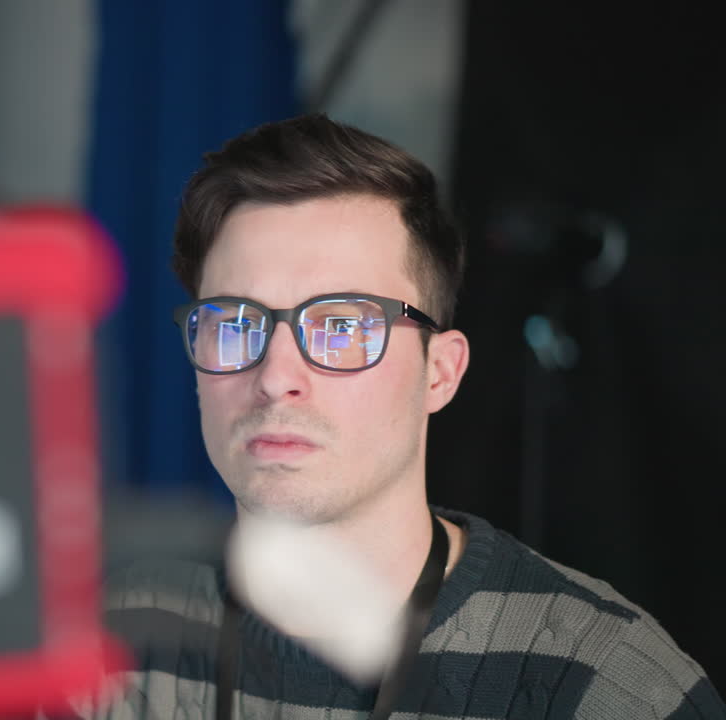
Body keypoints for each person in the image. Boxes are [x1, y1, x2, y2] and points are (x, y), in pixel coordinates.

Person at [90, 115, 725, 719]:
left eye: (342, 326)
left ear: (440, 373)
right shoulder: (102, 643)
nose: (276, 377)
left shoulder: (598, 683)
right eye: (234, 324)